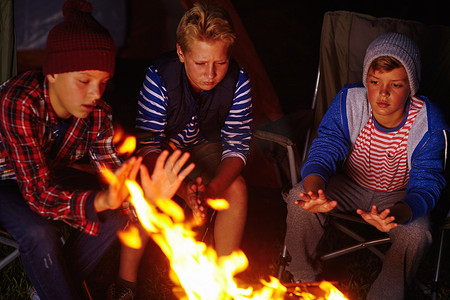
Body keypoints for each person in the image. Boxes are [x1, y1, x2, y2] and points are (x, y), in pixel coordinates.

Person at [0, 0, 195, 299]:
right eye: (83, 81)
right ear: (52, 73)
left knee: (115, 213)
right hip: (4, 180)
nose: (95, 94)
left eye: (103, 82)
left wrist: (145, 201)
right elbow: (38, 194)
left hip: (49, 173)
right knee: (40, 231)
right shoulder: (19, 101)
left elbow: (115, 176)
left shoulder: (98, 113)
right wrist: (101, 199)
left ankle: (47, 290)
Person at [284, 32, 448, 299]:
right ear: (366, 81)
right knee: (298, 200)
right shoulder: (350, 102)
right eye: (375, 82)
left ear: (411, 87)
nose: (382, 93)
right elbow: (326, 148)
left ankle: (384, 295)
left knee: (417, 233)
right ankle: (304, 280)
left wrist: (398, 213)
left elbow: (427, 184)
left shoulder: (426, 122)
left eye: (395, 85)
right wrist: (314, 191)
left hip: (400, 196)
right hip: (348, 184)